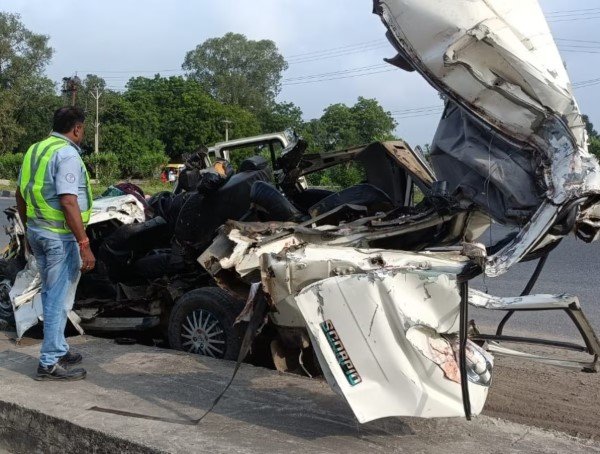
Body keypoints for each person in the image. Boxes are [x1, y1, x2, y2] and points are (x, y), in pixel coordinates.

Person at [15, 106, 96, 381]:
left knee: (52, 294)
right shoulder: (67, 154)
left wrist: (28, 230)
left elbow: (20, 193)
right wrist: (84, 243)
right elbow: (68, 201)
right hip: (59, 238)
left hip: (39, 232)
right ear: (77, 128)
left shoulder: (35, 149)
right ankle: (49, 362)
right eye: (83, 128)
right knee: (58, 297)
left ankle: (58, 348)